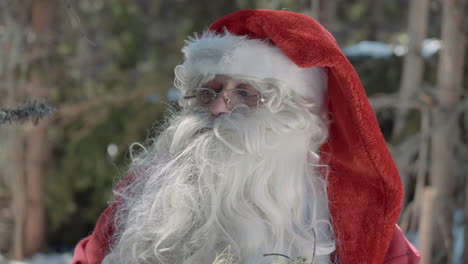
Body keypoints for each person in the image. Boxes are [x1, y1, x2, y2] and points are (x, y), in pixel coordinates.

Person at [72, 9, 421, 264]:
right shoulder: (148, 199)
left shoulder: (359, 220)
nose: (219, 109)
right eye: (209, 92)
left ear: (297, 116)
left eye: (245, 95)